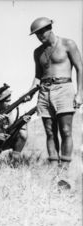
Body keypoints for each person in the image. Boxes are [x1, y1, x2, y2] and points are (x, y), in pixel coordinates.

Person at [29, 17, 83, 188]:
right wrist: (30, 92)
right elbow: (38, 75)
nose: (39, 36)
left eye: (41, 32)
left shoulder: (68, 44)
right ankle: (53, 169)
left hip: (64, 88)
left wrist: (80, 93)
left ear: (50, 28)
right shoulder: (37, 52)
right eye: (36, 34)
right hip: (44, 92)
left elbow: (80, 68)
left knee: (65, 130)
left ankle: (64, 169)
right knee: (49, 132)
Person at [0, 89, 30, 161]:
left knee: (22, 134)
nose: (9, 103)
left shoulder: (8, 110)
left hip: (5, 140)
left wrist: (22, 122)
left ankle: (15, 160)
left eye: (9, 100)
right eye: (7, 101)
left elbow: (11, 127)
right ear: (0, 102)